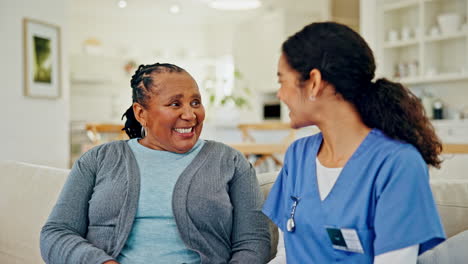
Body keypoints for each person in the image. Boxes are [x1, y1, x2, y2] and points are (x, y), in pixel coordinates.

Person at [40, 63, 271, 264]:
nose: (190, 115)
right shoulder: (98, 160)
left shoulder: (230, 162)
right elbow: (56, 233)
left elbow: (253, 242)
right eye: (175, 104)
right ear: (141, 113)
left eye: (195, 102)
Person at [262, 22, 446, 263]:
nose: (280, 94)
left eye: (282, 81)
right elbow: (286, 255)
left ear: (314, 82)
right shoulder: (298, 155)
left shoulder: (397, 164)